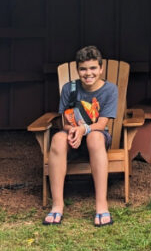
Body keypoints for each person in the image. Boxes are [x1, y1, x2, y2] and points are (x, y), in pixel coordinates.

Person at [43, 45, 118, 227]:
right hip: (73, 136)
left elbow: (101, 124)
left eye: (93, 68)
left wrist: (84, 129)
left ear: (101, 69)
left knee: (95, 137)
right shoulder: (70, 88)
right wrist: (72, 132)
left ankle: (101, 205)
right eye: (83, 69)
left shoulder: (110, 90)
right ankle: (57, 205)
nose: (88, 73)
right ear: (77, 70)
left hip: (97, 139)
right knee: (58, 139)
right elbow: (65, 122)